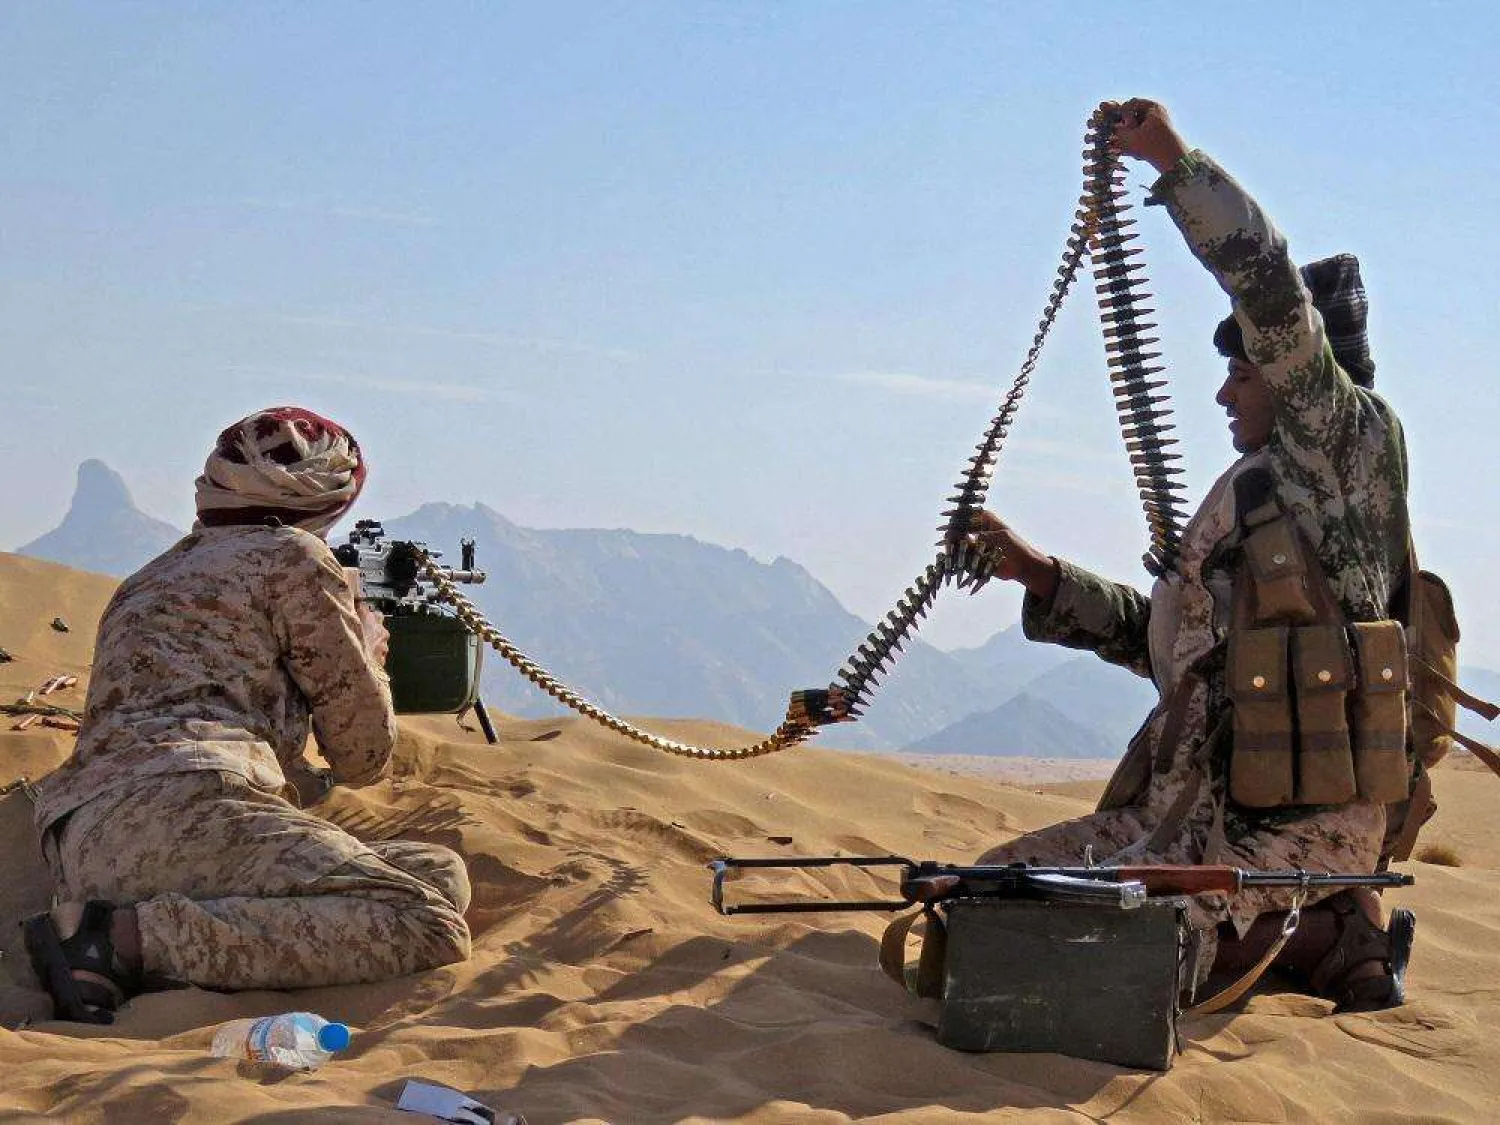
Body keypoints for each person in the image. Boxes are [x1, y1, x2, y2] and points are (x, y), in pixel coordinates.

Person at [967, 99, 1414, 1011]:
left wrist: (1175, 165)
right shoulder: (1248, 499)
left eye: (1244, 371)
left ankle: (1331, 925)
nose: (1222, 390)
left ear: (1296, 378)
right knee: (990, 896)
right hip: (1179, 820)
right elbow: (1183, 659)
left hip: (1293, 836)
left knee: (1117, 965)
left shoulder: (1343, 449)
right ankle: (1310, 939)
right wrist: (1042, 577)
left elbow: (1271, 291)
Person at [23, 406, 472, 1023]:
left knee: (435, 872)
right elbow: (363, 757)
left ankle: (143, 949)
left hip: (85, 835)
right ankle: (122, 942)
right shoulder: (293, 559)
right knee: (425, 920)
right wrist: (368, 654)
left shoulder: (149, 577)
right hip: (188, 805)